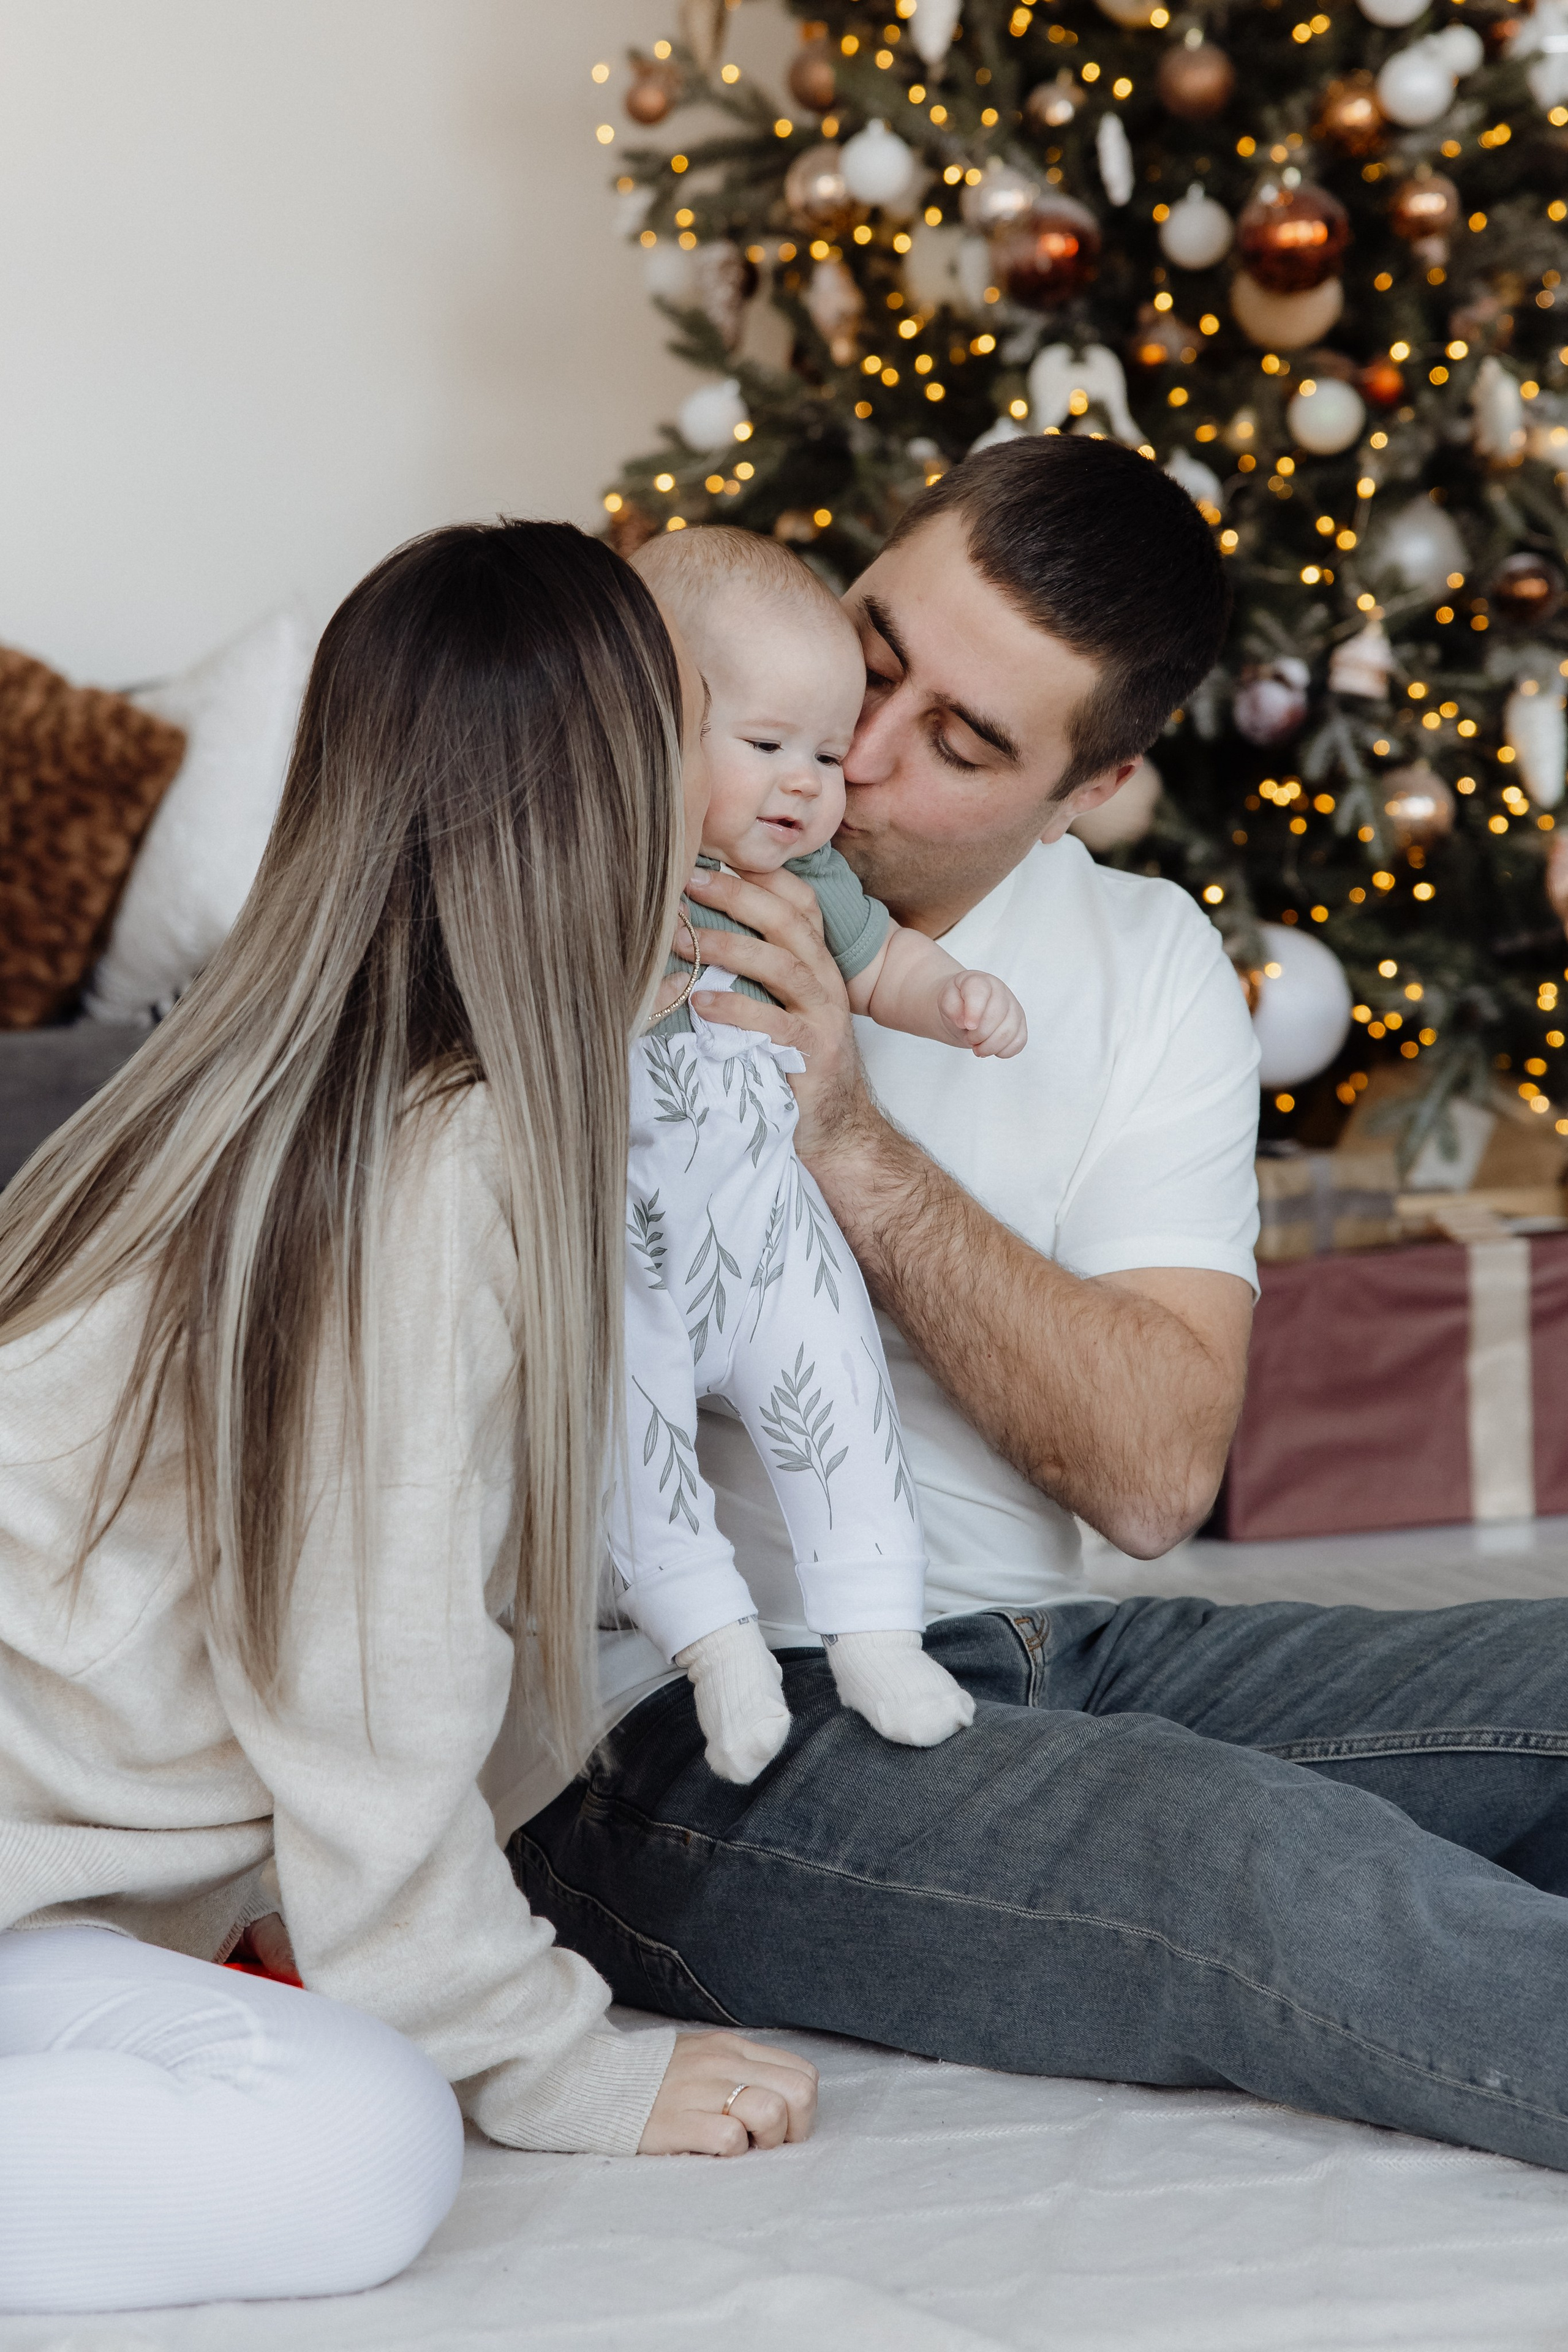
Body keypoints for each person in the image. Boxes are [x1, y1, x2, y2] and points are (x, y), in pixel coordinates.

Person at [515, 435, 1568, 2176]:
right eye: (875, 652)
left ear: (1093, 787)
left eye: (966, 742)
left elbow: (1155, 1476)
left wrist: (849, 1135)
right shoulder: (595, 859)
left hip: (1054, 1657)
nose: (851, 754)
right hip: (685, 1724)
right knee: (1247, 1856)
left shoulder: (1151, 967)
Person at [0, 520, 816, 2316]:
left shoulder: (263, 1089)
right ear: (606, 797)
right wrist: (551, 2058)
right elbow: (364, 1682)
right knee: (368, 2138)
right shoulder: (432, 1162)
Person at [612, 524, 1027, 1785]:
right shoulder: (611, 867)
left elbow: (882, 964)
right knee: (617, 1440)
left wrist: (955, 994)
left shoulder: (809, 883)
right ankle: (714, 1641)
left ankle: (875, 1635)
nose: (805, 787)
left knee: (844, 1397)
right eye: (763, 747)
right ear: (647, 729)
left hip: (765, 1228)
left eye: (823, 756)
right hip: (621, 1240)